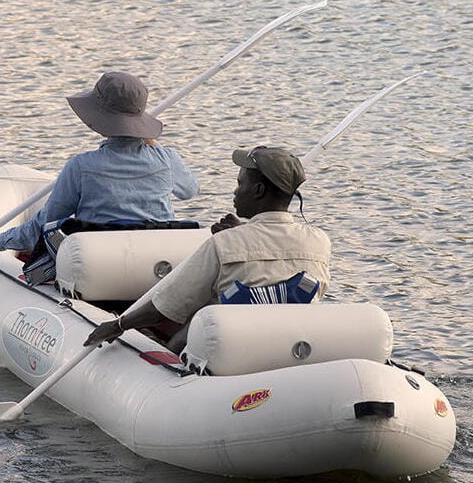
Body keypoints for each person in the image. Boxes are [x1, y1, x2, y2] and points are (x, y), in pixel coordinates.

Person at [84, 145, 331, 349]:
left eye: (240, 183)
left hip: (231, 349)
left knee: (195, 321)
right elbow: (273, 260)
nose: (235, 192)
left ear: (258, 190)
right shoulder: (320, 242)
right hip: (289, 345)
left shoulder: (223, 244)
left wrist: (118, 325)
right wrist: (240, 233)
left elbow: (165, 307)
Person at [0, 71, 199, 273]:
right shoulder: (166, 159)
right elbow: (190, 190)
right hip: (155, 268)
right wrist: (153, 145)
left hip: (102, 270)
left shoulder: (81, 167)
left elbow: (46, 224)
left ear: (98, 117)